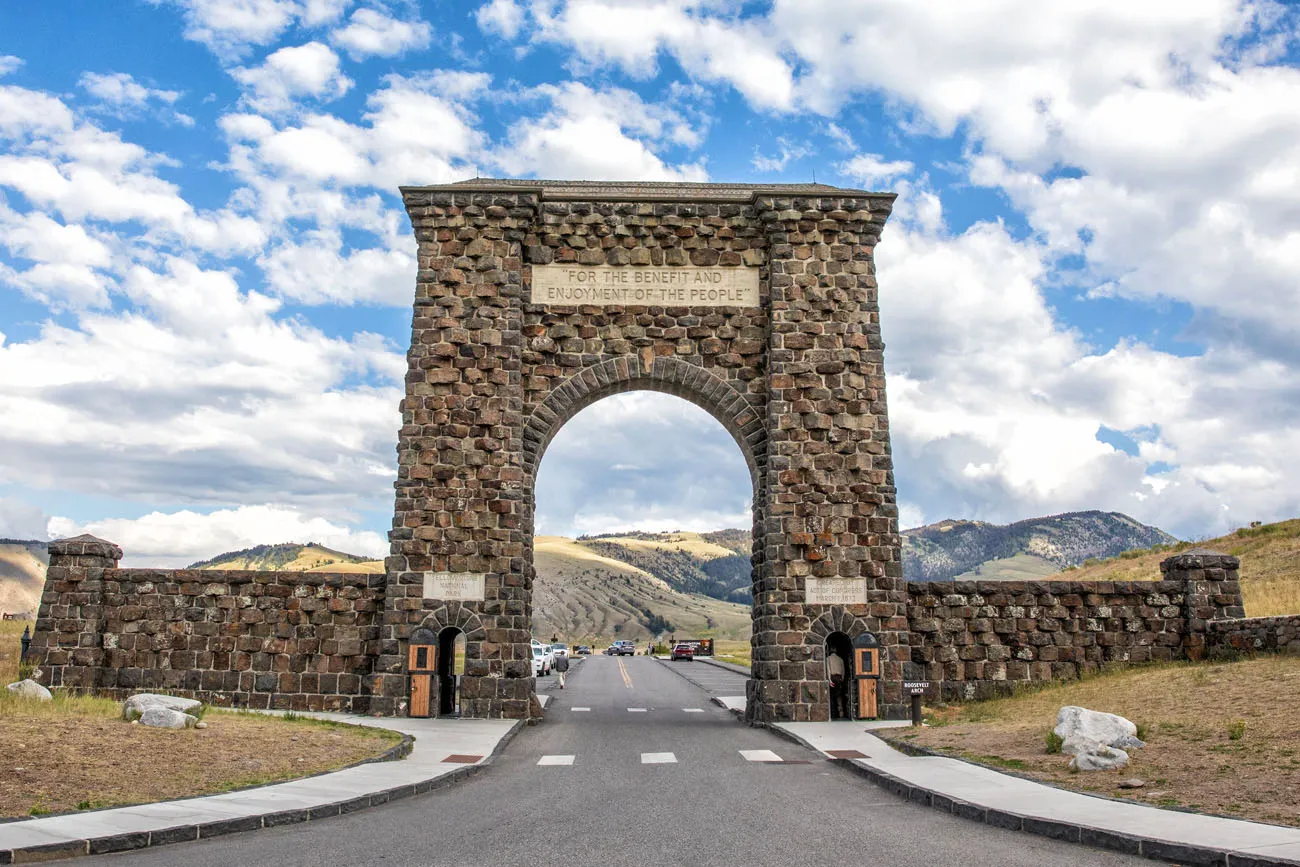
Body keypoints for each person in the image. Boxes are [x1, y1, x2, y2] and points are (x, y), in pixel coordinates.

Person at [826, 649, 849, 720]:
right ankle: (840, 714)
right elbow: (843, 670)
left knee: (831, 696)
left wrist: (829, 680)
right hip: (839, 678)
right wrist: (842, 679)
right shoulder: (840, 659)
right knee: (839, 696)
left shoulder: (828, 658)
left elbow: (828, 669)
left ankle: (832, 714)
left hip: (832, 678)